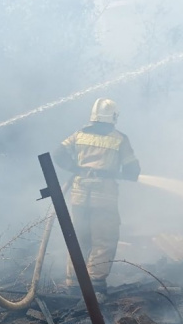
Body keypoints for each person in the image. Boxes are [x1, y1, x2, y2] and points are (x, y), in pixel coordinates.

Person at [52, 98, 140, 294]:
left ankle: (74, 283)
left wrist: (75, 168)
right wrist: (126, 174)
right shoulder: (119, 139)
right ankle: (95, 284)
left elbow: (58, 154)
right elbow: (133, 168)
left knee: (80, 238)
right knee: (104, 240)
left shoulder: (79, 135)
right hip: (104, 198)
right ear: (114, 117)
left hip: (79, 195)